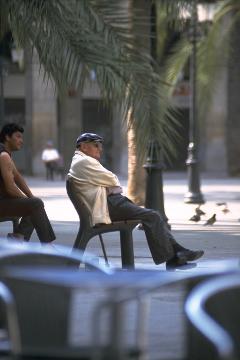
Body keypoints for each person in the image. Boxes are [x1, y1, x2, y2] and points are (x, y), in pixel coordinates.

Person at [67, 132, 204, 268]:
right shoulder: (84, 161)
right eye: (96, 145)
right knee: (152, 216)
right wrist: (108, 185)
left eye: (100, 146)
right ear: (83, 147)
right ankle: (174, 256)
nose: (100, 149)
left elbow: (110, 182)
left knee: (151, 216)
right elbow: (112, 179)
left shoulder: (81, 161)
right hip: (109, 206)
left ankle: (177, 253)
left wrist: (107, 185)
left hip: (110, 203)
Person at [0, 123, 56, 244]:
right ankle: (46, 245)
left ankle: (19, 238)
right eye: (18, 136)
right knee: (35, 205)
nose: (21, 141)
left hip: (4, 202)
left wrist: (30, 197)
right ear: (7, 137)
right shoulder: (3, 155)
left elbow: (18, 177)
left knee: (34, 203)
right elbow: (10, 188)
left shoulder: (5, 154)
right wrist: (29, 201)